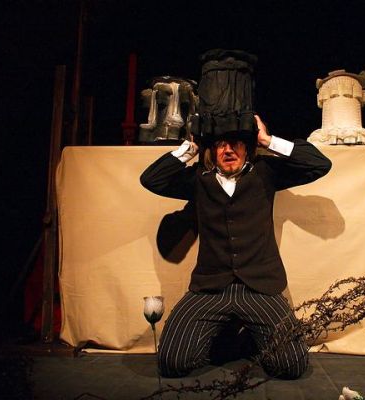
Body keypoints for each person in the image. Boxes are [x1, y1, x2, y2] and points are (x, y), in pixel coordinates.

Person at [140, 115, 332, 379]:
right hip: (210, 288)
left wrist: (267, 140)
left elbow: (319, 164)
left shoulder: (265, 172)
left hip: (260, 288)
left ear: (248, 147)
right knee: (172, 363)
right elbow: (151, 179)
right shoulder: (199, 179)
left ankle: (250, 336)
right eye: (220, 144)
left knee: (291, 366)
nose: (228, 150)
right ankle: (230, 336)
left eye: (235, 144)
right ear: (211, 150)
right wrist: (191, 147)